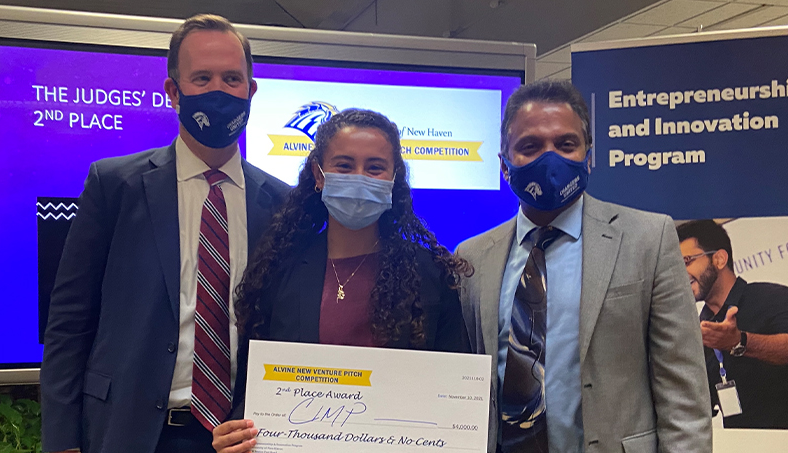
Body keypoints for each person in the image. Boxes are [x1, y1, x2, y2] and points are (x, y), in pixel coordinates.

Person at [40, 14, 290, 453]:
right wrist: (61, 439)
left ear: (250, 91)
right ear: (173, 92)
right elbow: (69, 322)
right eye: (202, 78)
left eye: (232, 78)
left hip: (243, 437)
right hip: (129, 431)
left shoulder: (282, 203)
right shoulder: (114, 185)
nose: (219, 90)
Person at [456, 80, 711, 453]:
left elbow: (683, 393)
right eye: (530, 146)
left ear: (588, 155)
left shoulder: (648, 239)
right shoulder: (474, 257)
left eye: (565, 144)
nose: (550, 158)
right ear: (504, 165)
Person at [209, 108, 472, 453]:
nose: (359, 177)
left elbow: (456, 399)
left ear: (394, 178)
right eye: (344, 166)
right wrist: (236, 435)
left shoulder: (431, 276)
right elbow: (253, 389)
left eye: (375, 167)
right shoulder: (279, 270)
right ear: (318, 174)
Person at [677, 219, 788, 429]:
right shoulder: (699, 329)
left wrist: (739, 342)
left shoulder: (770, 298)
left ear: (719, 259)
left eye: (686, 261)